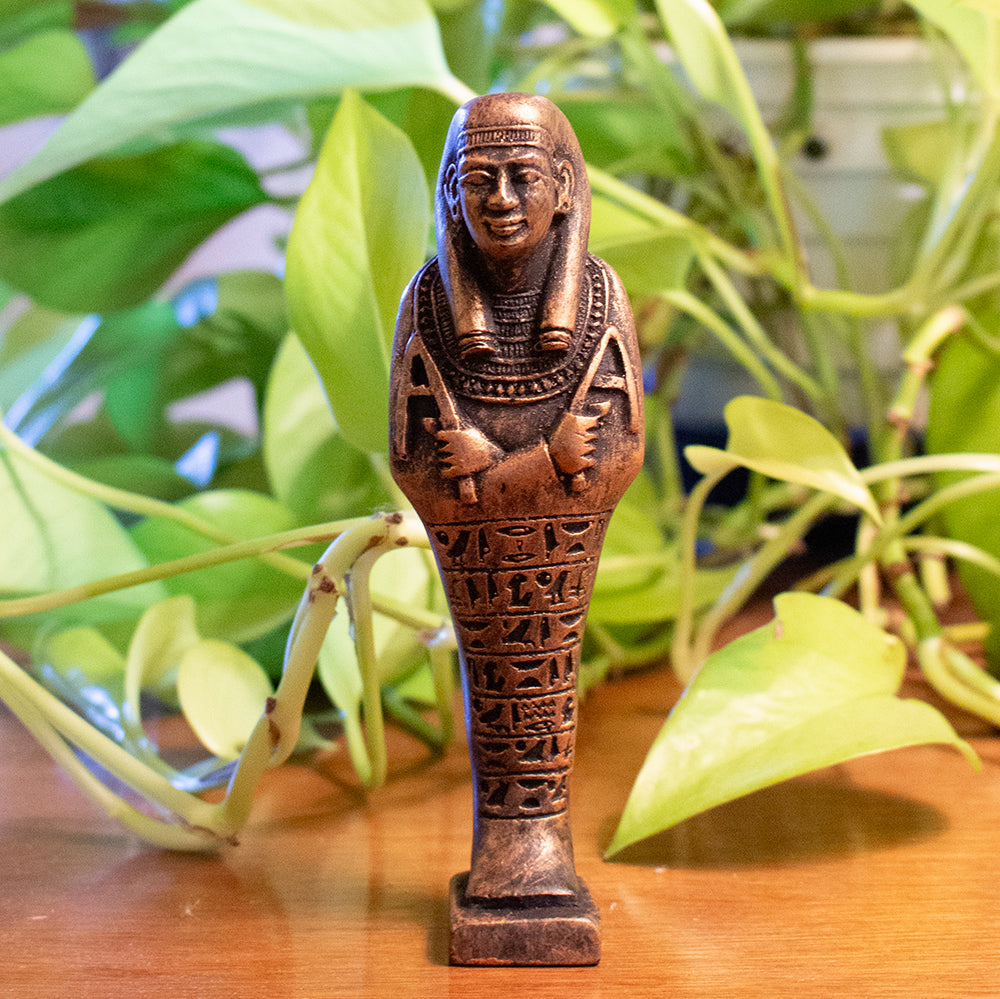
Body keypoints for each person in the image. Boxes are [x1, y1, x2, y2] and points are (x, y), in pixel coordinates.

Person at [389, 93, 643, 909]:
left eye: (523, 176)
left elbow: (616, 457)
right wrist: (538, 462)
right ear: (451, 196)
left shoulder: (600, 298)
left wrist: (505, 466)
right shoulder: (428, 304)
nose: (500, 198)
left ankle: (540, 844)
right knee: (497, 679)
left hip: (558, 559)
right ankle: (510, 845)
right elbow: (415, 467)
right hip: (479, 566)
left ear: (565, 189)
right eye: (479, 179)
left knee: (545, 676)